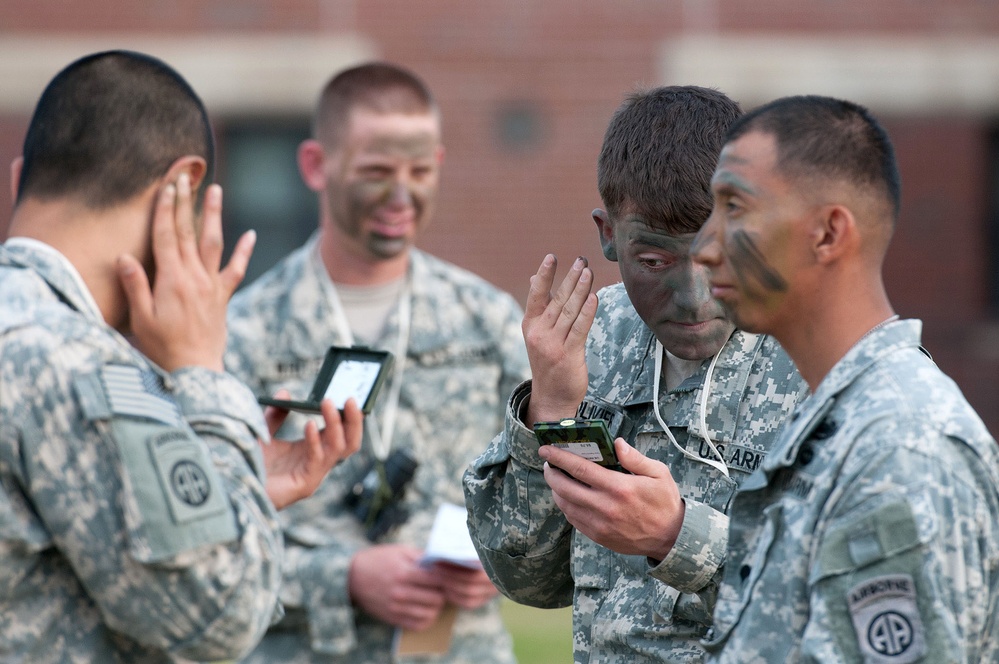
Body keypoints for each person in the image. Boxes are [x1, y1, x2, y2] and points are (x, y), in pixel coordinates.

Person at [0, 50, 364, 662]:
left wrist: (230, 489)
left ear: (20, 181)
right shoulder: (78, 365)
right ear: (182, 187)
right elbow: (224, 615)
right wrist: (203, 375)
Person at [463, 86, 807, 662]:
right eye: (654, 262)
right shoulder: (593, 338)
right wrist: (550, 412)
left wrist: (679, 538)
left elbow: (863, 601)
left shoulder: (824, 358)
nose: (694, 298)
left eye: (716, 256)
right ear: (607, 235)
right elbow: (525, 579)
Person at [225, 62, 529, 663]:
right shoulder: (244, 332)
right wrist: (345, 577)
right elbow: (208, 537)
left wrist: (501, 556)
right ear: (316, 165)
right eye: (376, 172)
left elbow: (540, 491)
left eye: (419, 172)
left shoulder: (485, 317)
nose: (401, 195)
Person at [691, 95, 999, 662]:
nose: (704, 247)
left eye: (735, 207)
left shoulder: (900, 448)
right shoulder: (837, 422)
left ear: (829, 233)